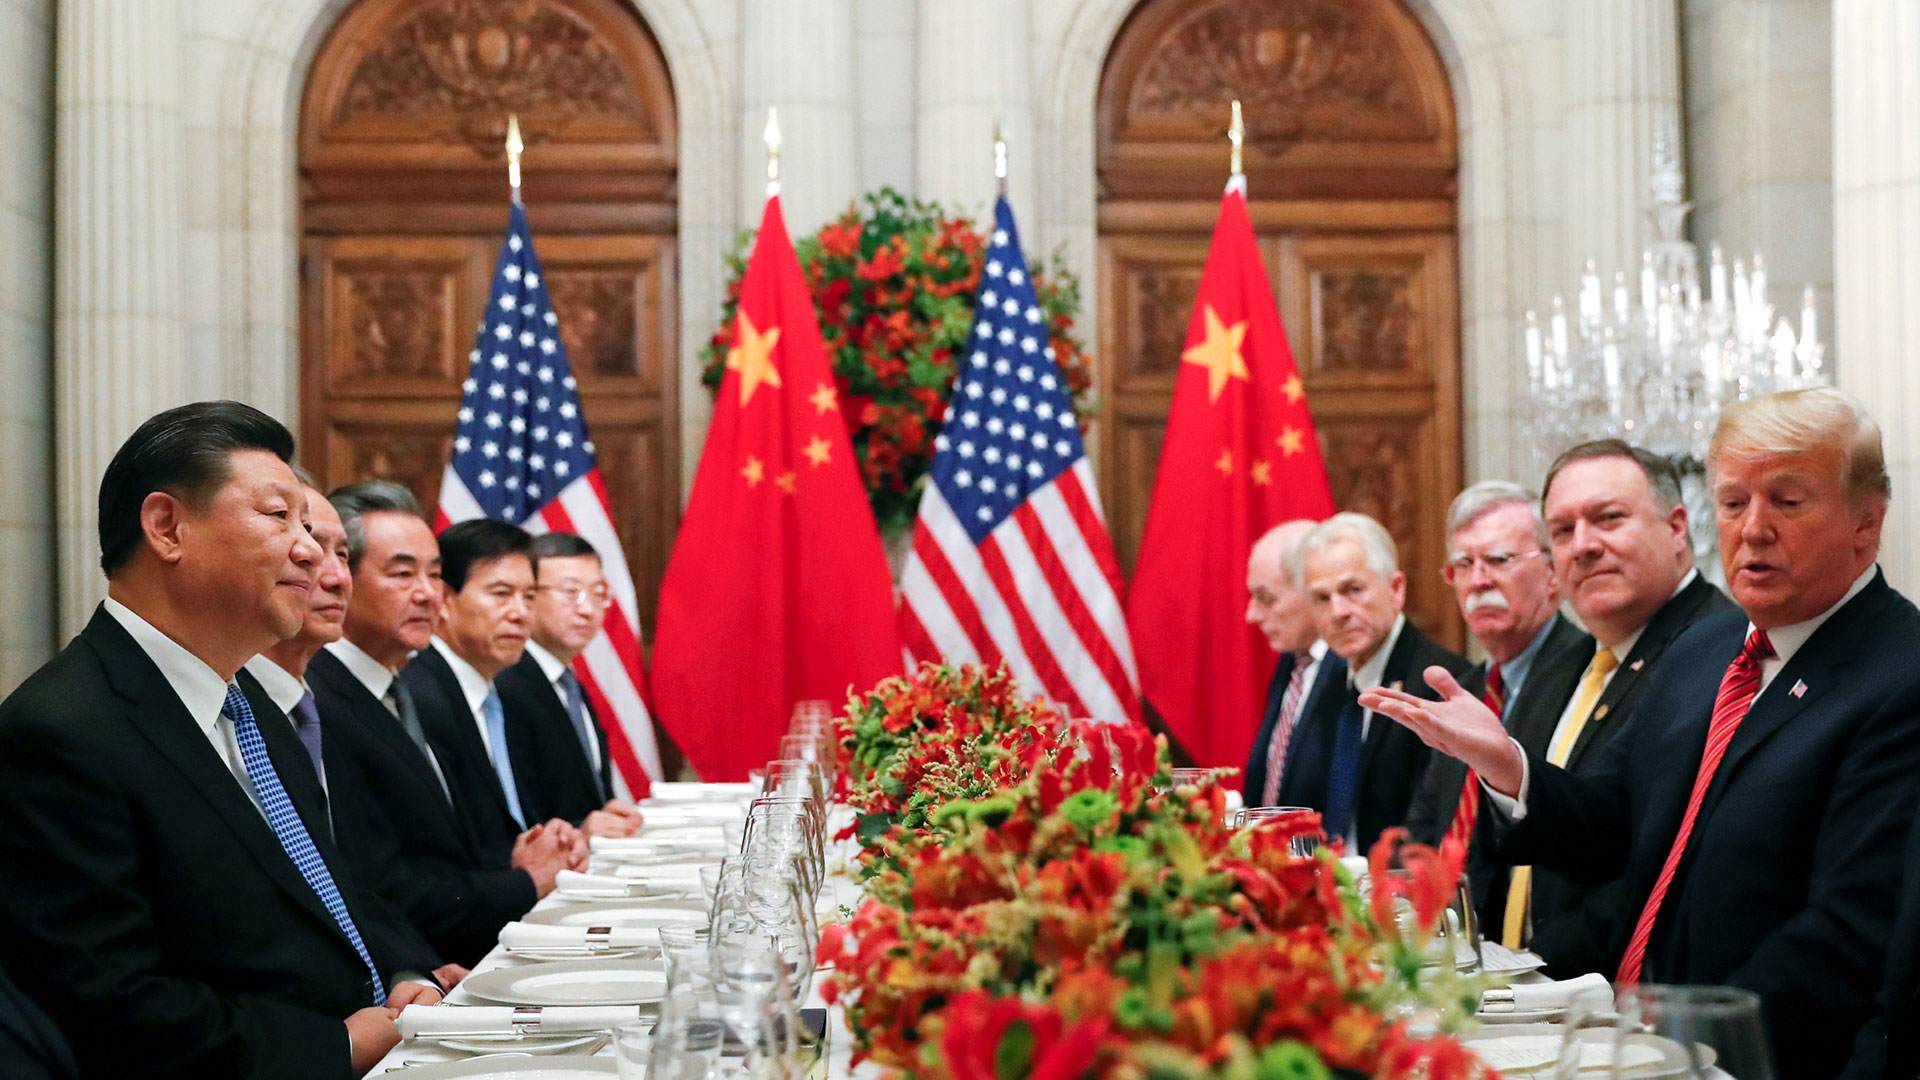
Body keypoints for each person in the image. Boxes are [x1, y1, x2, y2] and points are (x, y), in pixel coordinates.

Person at [1366, 388, 1920, 1074]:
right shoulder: (1706, 651)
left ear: (1866, 523)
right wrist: (1506, 761)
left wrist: (1666, 1041)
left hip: (1752, 1056)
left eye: (1788, 500)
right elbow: (1612, 823)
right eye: (1735, 502)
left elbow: (1847, 931)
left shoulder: (1900, 676)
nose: (1752, 529)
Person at [0, 401, 440, 1078]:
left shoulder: (251, 702)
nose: (310, 549)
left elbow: (327, 889)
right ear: (167, 527)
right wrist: (339, 1047)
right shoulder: (60, 733)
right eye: (278, 517)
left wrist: (402, 973)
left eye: (309, 523)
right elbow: (110, 1005)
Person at [1481, 442, 1733, 969]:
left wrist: (1530, 973)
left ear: (1677, 528)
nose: (1583, 545)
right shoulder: (1560, 664)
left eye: (1608, 519)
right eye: (1562, 531)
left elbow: (1654, 864)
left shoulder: (1719, 651)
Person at [308, 482, 572, 968]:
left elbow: (448, 848)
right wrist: (522, 882)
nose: (430, 594)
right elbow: (377, 884)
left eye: (435, 575)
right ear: (340, 574)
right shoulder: (317, 700)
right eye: (403, 573)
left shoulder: (406, 686)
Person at [241, 480, 454, 988]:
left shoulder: (307, 702)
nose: (334, 577)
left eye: (341, 554)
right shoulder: (251, 707)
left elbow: (347, 880)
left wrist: (410, 969)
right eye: (311, 551)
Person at [1404, 483, 1581, 869]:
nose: (1478, 581)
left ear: (1553, 572)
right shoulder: (1466, 688)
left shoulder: (1586, 676)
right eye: (1463, 565)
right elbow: (1424, 824)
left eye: (1498, 560)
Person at [1276, 511, 1470, 851]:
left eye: (1353, 590)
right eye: (1322, 598)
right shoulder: (1328, 676)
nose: (1338, 612)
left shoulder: (1439, 684)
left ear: (1396, 590)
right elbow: (1303, 802)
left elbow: (1429, 830)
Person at [401, 519, 587, 872]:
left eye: (529, 597)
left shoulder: (503, 693)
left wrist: (556, 836)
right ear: (443, 600)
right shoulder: (419, 695)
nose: (520, 614)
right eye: (501, 594)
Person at [494, 531, 646, 836]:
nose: (587, 609)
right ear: (528, 595)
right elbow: (515, 815)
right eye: (570, 592)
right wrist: (580, 831)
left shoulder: (567, 681)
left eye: (597, 593)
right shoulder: (504, 683)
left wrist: (604, 812)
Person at [1239, 519, 1343, 807]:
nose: (1252, 615)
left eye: (1265, 598)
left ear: (1311, 590)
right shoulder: (1292, 660)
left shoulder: (1351, 669)